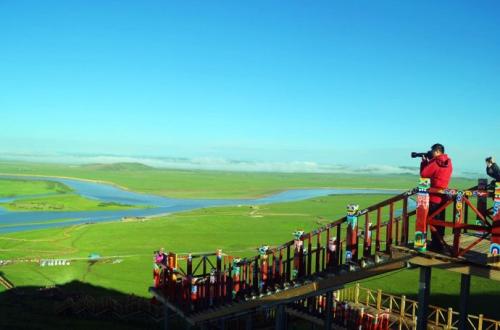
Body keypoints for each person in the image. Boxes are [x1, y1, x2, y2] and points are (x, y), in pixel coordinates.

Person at [420, 143, 453, 251]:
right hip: (443, 196)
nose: (432, 153)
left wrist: (425, 161)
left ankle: (435, 245)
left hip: (434, 196)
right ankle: (440, 244)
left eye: (433, 151)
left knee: (433, 221)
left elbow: (424, 174)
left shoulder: (436, 161)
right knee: (440, 221)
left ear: (438, 151)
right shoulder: (449, 162)